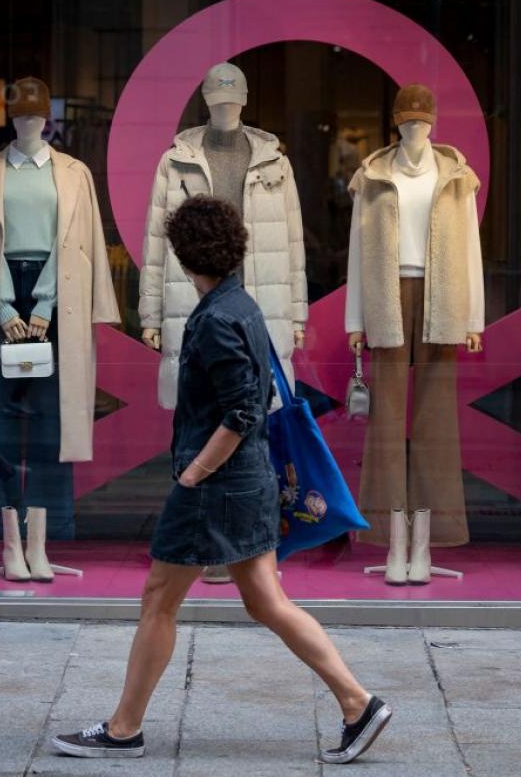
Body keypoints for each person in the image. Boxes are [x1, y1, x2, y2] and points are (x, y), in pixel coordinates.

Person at [52, 195, 391, 764]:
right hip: (247, 480)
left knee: (159, 598)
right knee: (265, 602)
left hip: (218, 487)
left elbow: (241, 412)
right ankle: (358, 704)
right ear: (233, 250)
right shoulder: (243, 306)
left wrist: (193, 474)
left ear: (185, 260)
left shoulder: (215, 320)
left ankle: (123, 728)